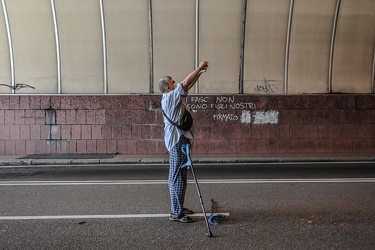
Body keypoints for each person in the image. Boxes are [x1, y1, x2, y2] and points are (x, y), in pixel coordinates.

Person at [158, 60, 209, 223]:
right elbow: (186, 83)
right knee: (177, 177)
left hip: (180, 140)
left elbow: (187, 85)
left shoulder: (172, 96)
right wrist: (199, 68)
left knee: (180, 175)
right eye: (173, 82)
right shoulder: (170, 97)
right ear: (168, 87)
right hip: (177, 141)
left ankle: (178, 207)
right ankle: (176, 213)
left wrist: (199, 74)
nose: (176, 82)